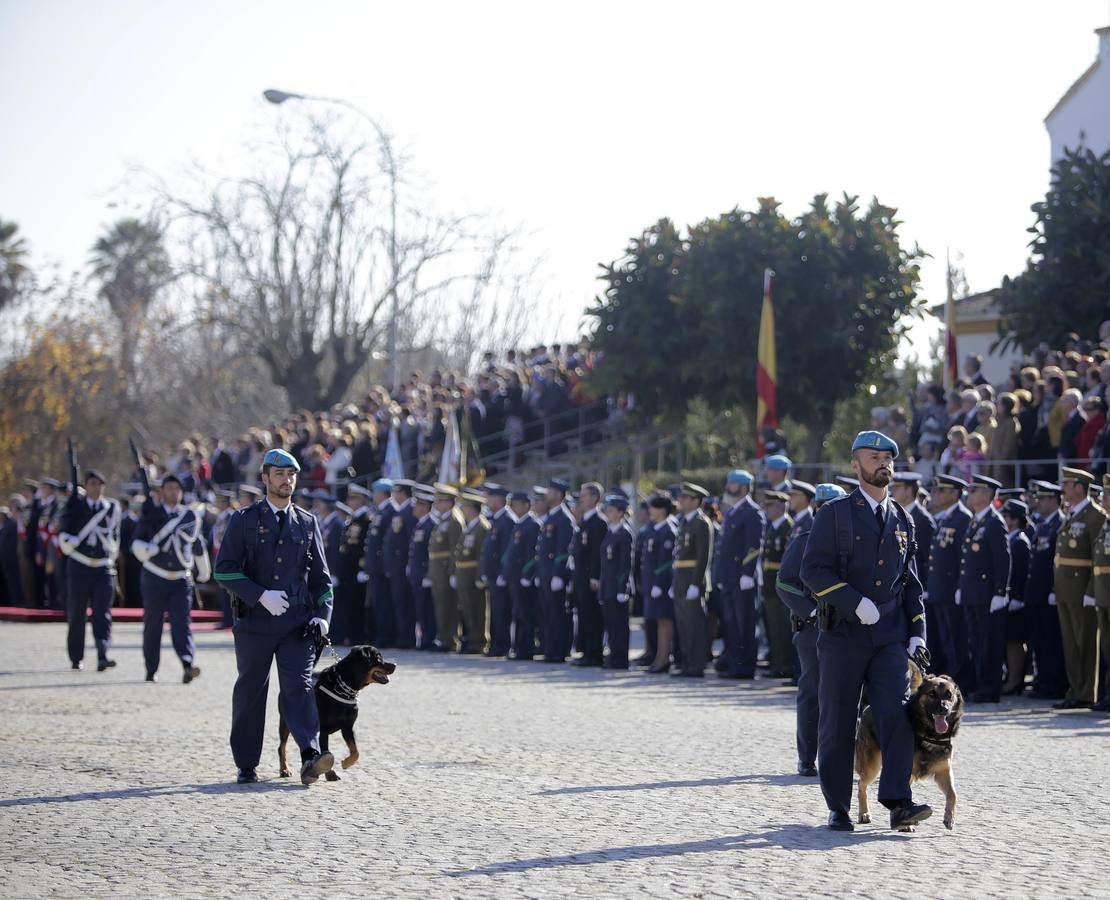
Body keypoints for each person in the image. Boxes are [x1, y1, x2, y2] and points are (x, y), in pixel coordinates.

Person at [801, 431, 931, 832]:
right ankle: (838, 805)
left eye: (888, 457)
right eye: (874, 457)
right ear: (855, 464)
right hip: (843, 636)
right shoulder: (835, 514)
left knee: (898, 716)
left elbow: (911, 583)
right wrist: (854, 601)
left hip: (889, 637)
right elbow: (812, 571)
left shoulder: (904, 519)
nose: (883, 464)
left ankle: (898, 802)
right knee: (838, 721)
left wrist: (917, 632)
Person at [214, 448, 334, 786]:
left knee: (299, 687)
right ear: (265, 477)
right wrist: (260, 595)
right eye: (280, 475)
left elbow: (322, 582)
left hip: (296, 624)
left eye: (292, 475)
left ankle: (311, 755)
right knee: (252, 691)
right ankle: (247, 762)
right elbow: (224, 571)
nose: (287, 481)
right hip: (254, 623)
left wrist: (322, 617)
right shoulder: (244, 520)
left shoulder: (308, 523)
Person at [776, 482, 847, 777]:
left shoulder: (850, 541)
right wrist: (811, 610)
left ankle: (847, 753)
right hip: (812, 629)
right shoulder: (804, 539)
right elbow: (784, 584)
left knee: (846, 694)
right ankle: (807, 756)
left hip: (846, 627)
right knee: (812, 693)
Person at [131, 473, 207, 683]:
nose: (174, 492)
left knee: (182, 623)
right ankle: (151, 668)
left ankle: (187, 663)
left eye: (177, 489)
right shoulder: (151, 514)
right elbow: (137, 540)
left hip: (181, 578)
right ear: (162, 492)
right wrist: (146, 549)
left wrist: (204, 569)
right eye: (169, 488)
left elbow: (196, 542)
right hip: (155, 576)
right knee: (153, 624)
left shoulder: (189, 516)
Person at [58, 463, 121, 672]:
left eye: (100, 484)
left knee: (103, 613)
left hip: (102, 566)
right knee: (77, 612)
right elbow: (65, 528)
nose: (97, 488)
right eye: (92, 484)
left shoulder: (111, 508)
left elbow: (115, 535)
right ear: (86, 486)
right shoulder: (75, 505)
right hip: (79, 565)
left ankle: (103, 653)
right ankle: (76, 657)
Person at [1053, 466, 1105, 709]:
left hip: (1083, 589)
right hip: (1065, 589)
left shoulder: (1095, 516)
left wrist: (1092, 591)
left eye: (1067, 484)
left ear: (1079, 488)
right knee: (1070, 643)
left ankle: (1086, 691)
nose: (1063, 488)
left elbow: (1098, 558)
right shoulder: (1073, 514)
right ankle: (1075, 689)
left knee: (1085, 643)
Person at [957, 474, 1011, 703]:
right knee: (976, 641)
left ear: (988, 494)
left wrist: (1001, 591)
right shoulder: (977, 520)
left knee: (989, 642)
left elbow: (1003, 558)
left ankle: (990, 687)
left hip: (988, 594)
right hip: (973, 592)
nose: (970, 493)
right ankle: (981, 683)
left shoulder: (994, 521)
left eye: (975, 489)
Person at [715, 471, 765, 680]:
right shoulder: (733, 512)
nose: (728, 486)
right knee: (731, 624)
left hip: (742, 578)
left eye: (733, 483)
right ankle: (735, 664)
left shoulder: (752, 512)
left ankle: (745, 666)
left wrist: (747, 572)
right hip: (728, 577)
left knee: (745, 623)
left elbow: (754, 546)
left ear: (744, 487)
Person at [924, 474, 971, 680]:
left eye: (941, 490)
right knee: (944, 638)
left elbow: (963, 557)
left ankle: (959, 679)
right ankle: (949, 677)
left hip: (951, 589)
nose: (936, 494)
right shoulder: (946, 517)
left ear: (954, 494)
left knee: (955, 639)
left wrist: (960, 587)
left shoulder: (963, 518)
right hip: (939, 588)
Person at [1024, 481, 1068, 700]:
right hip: (1036, 594)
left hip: (1049, 594)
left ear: (1053, 500)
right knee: (1039, 641)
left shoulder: (1060, 524)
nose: (1038, 502)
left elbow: (1058, 562)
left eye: (1042, 498)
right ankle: (1043, 681)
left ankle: (1054, 683)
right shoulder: (1041, 524)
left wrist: (1053, 589)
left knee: (1052, 641)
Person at [671, 483, 713, 678]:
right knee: (683, 626)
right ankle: (687, 663)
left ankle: (696, 665)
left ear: (696, 501)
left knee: (694, 626)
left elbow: (703, 556)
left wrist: (696, 584)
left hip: (692, 581)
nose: (680, 501)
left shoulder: (701, 522)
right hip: (681, 580)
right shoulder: (684, 522)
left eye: (685, 498)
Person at [537, 479, 575, 663]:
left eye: (550, 491)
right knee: (547, 613)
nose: (547, 494)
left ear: (559, 495)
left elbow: (563, 550)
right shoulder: (551, 517)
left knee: (557, 614)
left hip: (555, 574)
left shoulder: (564, 518)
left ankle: (559, 651)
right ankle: (550, 649)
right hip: (545, 572)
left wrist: (559, 574)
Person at [570, 482, 606, 667]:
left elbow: (596, 553)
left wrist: (595, 576)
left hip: (589, 577)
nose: (580, 499)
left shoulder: (598, 522)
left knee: (592, 615)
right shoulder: (585, 520)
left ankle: (594, 653)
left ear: (594, 498)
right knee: (583, 614)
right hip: (580, 576)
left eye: (584, 495)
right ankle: (586, 651)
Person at [504, 488, 542, 660]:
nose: (514, 508)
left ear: (527, 505)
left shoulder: (532, 525)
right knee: (517, 614)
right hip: (514, 576)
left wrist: (527, 575)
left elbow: (532, 554)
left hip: (523, 577)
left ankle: (525, 649)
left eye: (517, 504)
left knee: (526, 615)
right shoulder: (519, 523)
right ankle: (518, 647)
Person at [760, 490, 794, 679]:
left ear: (781, 507)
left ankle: (784, 666)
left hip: (780, 583)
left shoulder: (787, 526)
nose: (767, 510)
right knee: (773, 627)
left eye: (770, 506)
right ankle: (776, 663)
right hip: (769, 582)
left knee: (782, 628)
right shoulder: (772, 527)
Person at [598, 493, 634, 669]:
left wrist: (623, 588)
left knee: (619, 625)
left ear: (620, 512)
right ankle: (613, 655)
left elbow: (625, 564)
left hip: (618, 587)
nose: (607, 512)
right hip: (608, 586)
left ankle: (620, 658)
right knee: (611, 624)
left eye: (611, 510)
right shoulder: (610, 532)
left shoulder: (624, 533)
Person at [453, 489, 490, 654]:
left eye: (465, 507)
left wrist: (479, 576)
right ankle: (471, 640)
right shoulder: (470, 527)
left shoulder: (482, 527)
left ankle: (478, 641)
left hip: (472, 574)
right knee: (467, 609)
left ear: (472, 508)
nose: (462, 510)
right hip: (463, 575)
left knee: (477, 610)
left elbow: (482, 555)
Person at [643, 494, 678, 673]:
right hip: (652, 583)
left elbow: (665, 562)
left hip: (662, 585)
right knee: (658, 622)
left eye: (654, 508)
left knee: (665, 623)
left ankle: (664, 659)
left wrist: (658, 583)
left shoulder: (668, 531)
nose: (650, 511)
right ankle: (658, 657)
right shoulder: (655, 529)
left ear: (663, 510)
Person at [1000, 499, 1032, 696]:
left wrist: (1018, 596)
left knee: (1015, 642)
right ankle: (1011, 677)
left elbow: (1021, 572)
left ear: (1015, 520)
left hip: (1016, 601)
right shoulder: (1012, 539)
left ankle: (1015, 679)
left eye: (1008, 516)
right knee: (1008, 640)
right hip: (1008, 599)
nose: (1005, 520)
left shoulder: (1020, 541)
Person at [333, 483, 371, 646]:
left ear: (362, 500)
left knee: (357, 605)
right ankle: (349, 634)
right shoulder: (352, 519)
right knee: (347, 604)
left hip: (357, 570)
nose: (349, 501)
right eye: (349, 498)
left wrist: (363, 568)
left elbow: (366, 547)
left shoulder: (366, 520)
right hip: (347, 570)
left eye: (353, 498)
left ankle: (358, 636)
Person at [480, 484, 515, 657]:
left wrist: (503, 573)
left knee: (502, 612)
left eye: (491, 497)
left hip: (501, 575)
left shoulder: (507, 520)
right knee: (495, 611)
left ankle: (502, 645)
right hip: (493, 574)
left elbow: (506, 551)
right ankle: (495, 644)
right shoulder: (496, 519)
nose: (488, 500)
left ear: (501, 499)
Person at [429, 484, 464, 652]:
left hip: (445, 570)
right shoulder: (443, 519)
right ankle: (443, 637)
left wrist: (452, 571)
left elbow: (454, 549)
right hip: (437, 570)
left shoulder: (454, 521)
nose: (437, 504)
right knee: (440, 606)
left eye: (440, 501)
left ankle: (449, 639)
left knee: (448, 606)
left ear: (449, 502)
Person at [363, 478, 396, 646]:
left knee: (383, 603)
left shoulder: (390, 511)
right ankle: (381, 634)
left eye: (376, 493)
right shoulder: (380, 511)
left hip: (381, 567)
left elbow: (387, 542)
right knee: (378, 603)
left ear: (383, 494)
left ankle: (386, 636)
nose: (373, 496)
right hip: (375, 567)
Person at [384, 480, 416, 649]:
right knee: (398, 603)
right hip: (396, 566)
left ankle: (406, 638)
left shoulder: (409, 511)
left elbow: (407, 542)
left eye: (396, 492)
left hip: (402, 565)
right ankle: (402, 636)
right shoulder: (401, 511)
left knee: (404, 603)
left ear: (403, 493)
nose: (394, 495)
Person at [407, 486, 438, 650]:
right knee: (420, 608)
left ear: (425, 507)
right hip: (417, 573)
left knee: (427, 609)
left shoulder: (431, 524)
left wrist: (428, 574)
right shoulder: (420, 524)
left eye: (418, 505)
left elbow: (429, 552)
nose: (414, 508)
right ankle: (425, 638)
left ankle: (429, 639)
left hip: (425, 574)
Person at [1092, 474, 1110, 712]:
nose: (1104, 498)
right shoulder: (1105, 523)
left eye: (1107, 495)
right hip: (1103, 593)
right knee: (1106, 647)